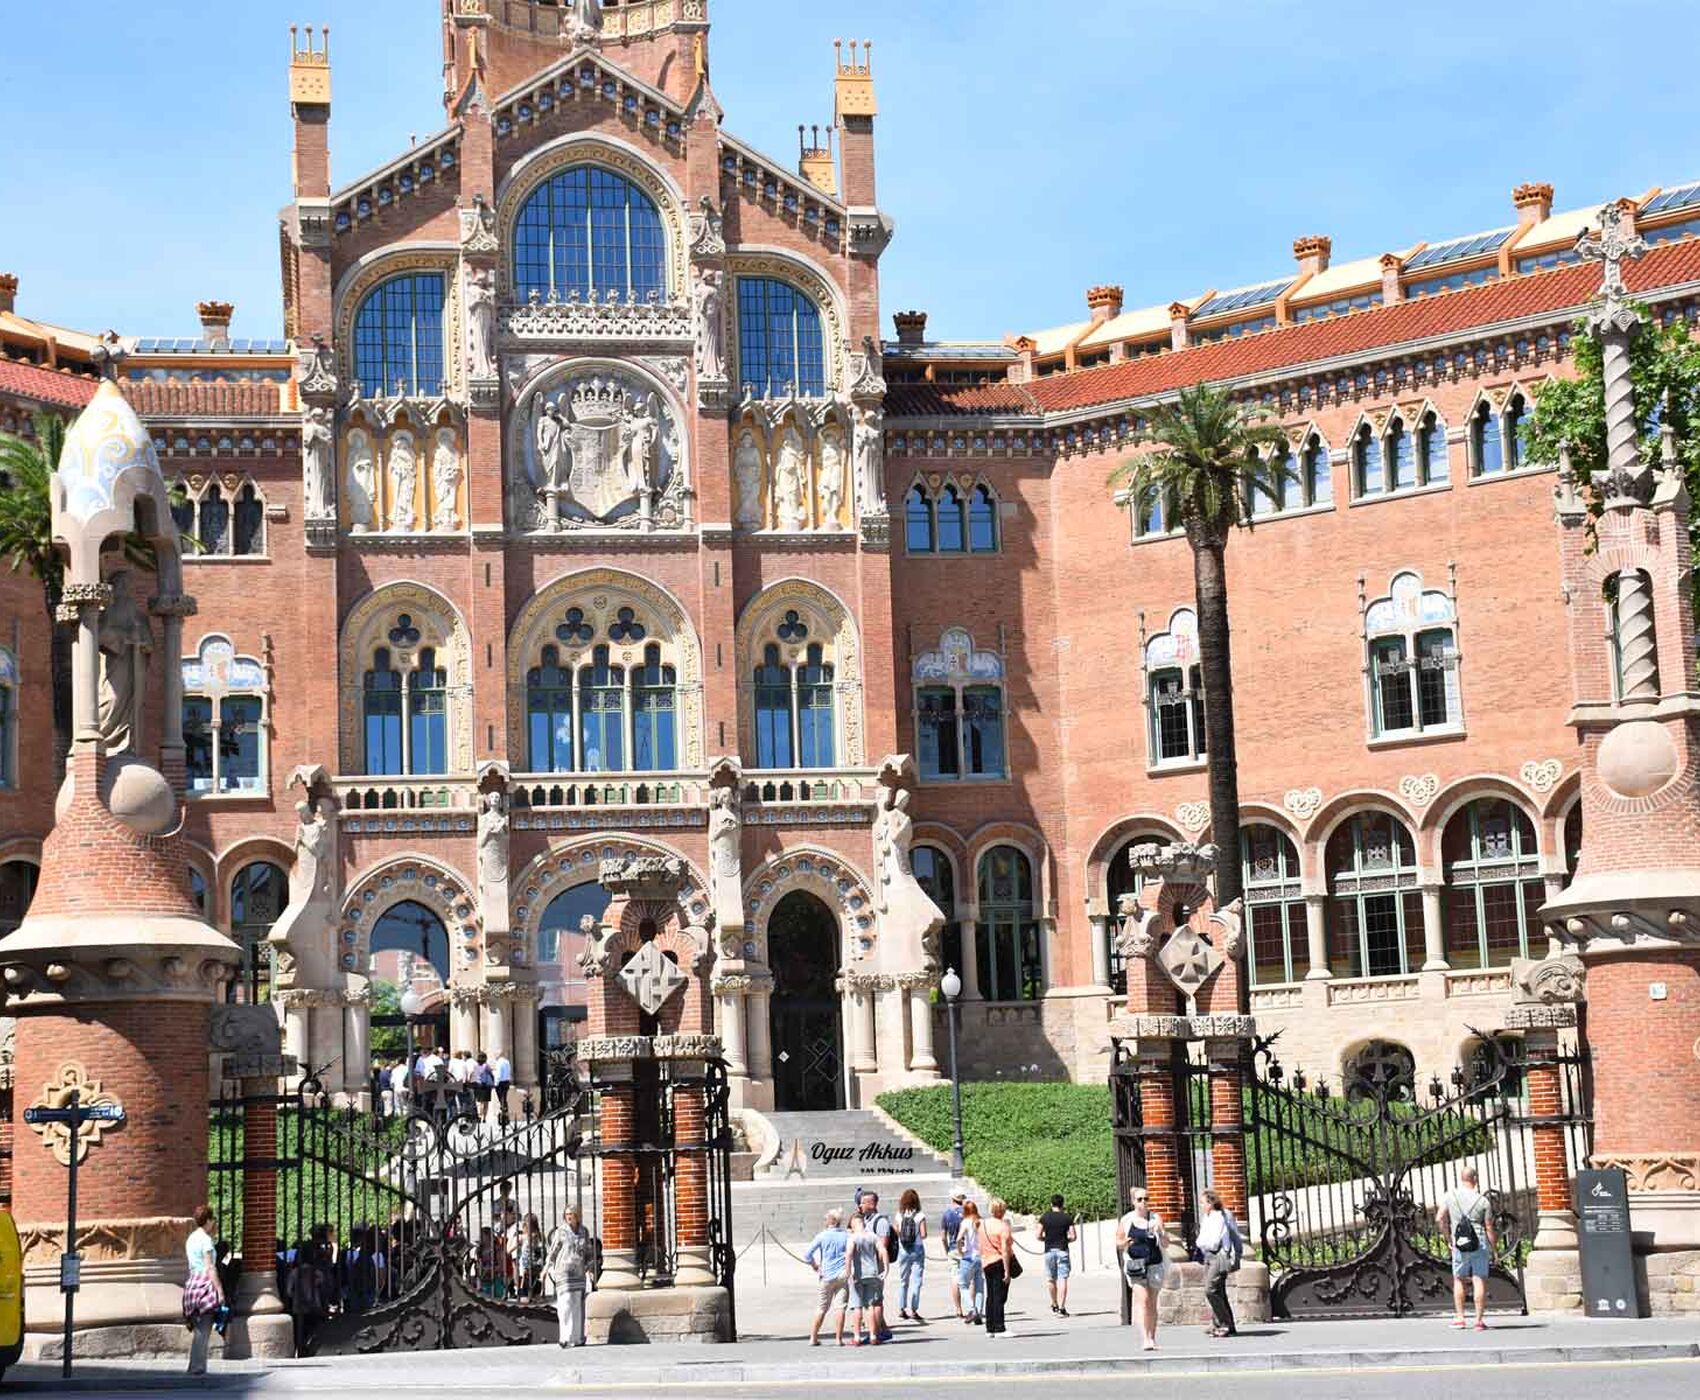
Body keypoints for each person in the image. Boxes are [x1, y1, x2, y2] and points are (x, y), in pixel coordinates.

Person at [1437, 1166, 1497, 1330]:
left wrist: (1449, 1238)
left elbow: (1439, 1218)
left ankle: (1460, 1318)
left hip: (1460, 1243)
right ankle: (1478, 1321)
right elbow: (1489, 1227)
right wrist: (1494, 1249)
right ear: (1475, 1179)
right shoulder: (1483, 1201)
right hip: (1479, 1243)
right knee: (1478, 1279)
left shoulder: (1450, 1196)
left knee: (1458, 1278)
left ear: (1461, 1178)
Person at [1116, 1186, 1168, 1352]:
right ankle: (1145, 1338)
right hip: (1135, 1265)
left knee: (1152, 1302)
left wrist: (1161, 1233)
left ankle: (1152, 1337)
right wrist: (1125, 1243)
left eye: (1146, 1199)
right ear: (1133, 1202)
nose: (1143, 1202)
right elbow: (1118, 1242)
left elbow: (1166, 1244)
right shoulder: (1127, 1220)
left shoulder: (1155, 1218)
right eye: (1140, 1199)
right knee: (1143, 1300)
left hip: (1155, 1263)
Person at [183, 1205, 225, 1375]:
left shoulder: (191, 1238)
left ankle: (194, 1364)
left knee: (198, 1328)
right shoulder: (206, 1240)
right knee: (204, 1329)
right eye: (212, 1219)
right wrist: (220, 1290)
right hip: (205, 1285)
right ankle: (198, 1367)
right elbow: (210, 1267)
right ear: (208, 1220)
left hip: (192, 1283)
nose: (213, 1222)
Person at [1196, 1189, 1243, 1338]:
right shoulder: (1207, 1217)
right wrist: (1202, 1243)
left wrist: (1237, 1255)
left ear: (1211, 1203)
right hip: (1208, 1256)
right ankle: (1225, 1324)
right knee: (1219, 1291)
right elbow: (1201, 1239)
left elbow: (1214, 1241)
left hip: (1219, 1256)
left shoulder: (1221, 1216)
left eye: (1203, 1202)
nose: (1201, 1205)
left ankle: (1224, 1323)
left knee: (1210, 1290)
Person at [545, 1206, 594, 1348]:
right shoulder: (561, 1231)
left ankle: (577, 1337)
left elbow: (588, 1250)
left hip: (579, 1272)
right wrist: (547, 1267)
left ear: (577, 1215)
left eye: (571, 1214)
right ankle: (565, 1337)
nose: (568, 1216)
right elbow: (553, 1250)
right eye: (566, 1214)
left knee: (577, 1303)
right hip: (564, 1271)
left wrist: (590, 1267)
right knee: (565, 1302)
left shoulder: (584, 1231)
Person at [803, 1208, 850, 1346]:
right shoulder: (846, 1235)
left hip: (826, 1274)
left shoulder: (822, 1236)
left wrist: (815, 1266)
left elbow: (807, 1255)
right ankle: (838, 1338)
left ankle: (813, 1337)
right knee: (840, 1307)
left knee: (822, 1307)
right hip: (842, 1274)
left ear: (829, 1221)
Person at [857, 1191, 896, 1342]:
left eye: (863, 1202)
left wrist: (879, 1268)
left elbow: (882, 1247)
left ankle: (877, 1332)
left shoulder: (881, 1222)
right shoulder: (866, 1220)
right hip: (867, 1267)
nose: (860, 1205)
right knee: (872, 1301)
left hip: (875, 1268)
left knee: (875, 1302)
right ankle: (883, 1330)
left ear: (872, 1204)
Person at [844, 1213, 888, 1346]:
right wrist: (886, 1268)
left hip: (858, 1275)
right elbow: (883, 1250)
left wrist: (848, 1272)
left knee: (857, 1306)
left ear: (854, 1224)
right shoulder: (873, 1236)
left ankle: (857, 1337)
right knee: (870, 1306)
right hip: (872, 1273)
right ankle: (873, 1335)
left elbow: (849, 1254)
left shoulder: (853, 1238)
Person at [978, 1197, 1015, 1338]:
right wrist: (1007, 1271)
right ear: (1002, 1210)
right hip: (999, 1261)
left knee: (991, 1296)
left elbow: (980, 1244)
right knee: (1000, 1296)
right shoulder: (1003, 1226)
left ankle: (990, 1328)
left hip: (986, 1261)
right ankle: (1000, 1328)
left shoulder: (982, 1225)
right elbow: (1005, 1250)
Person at [1039, 1193, 1078, 1317]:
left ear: (1051, 1204)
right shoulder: (1067, 1218)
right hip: (1062, 1249)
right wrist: (1066, 1240)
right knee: (1062, 1278)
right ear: (1062, 1204)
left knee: (1051, 1278)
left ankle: (1054, 1304)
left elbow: (1038, 1235)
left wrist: (1045, 1239)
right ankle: (1062, 1308)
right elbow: (1073, 1236)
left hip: (1049, 1250)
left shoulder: (1045, 1217)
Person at [892, 1188, 928, 1322]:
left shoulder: (899, 1215)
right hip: (917, 1248)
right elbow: (924, 1234)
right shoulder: (920, 1215)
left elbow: (895, 1231)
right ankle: (914, 1310)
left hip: (903, 1249)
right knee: (916, 1281)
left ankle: (902, 1309)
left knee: (903, 1281)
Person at [954, 1199, 985, 1325]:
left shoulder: (966, 1222)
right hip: (981, 1257)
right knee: (979, 1286)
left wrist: (960, 1251)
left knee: (962, 1284)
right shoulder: (982, 1221)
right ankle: (979, 1312)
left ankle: (972, 1309)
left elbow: (958, 1239)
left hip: (969, 1256)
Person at [940, 1191, 967, 1320]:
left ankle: (958, 1309)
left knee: (955, 1279)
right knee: (971, 1280)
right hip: (967, 1248)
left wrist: (946, 1250)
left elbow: (943, 1237)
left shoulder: (947, 1214)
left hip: (953, 1248)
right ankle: (973, 1307)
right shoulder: (968, 1212)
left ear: (952, 1199)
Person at [494, 1051, 514, 1124]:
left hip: (500, 1083)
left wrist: (496, 1083)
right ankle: (505, 1114)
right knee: (504, 1098)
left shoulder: (499, 1062)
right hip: (506, 1082)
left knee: (501, 1099)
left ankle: (503, 1114)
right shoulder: (507, 1062)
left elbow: (499, 1073)